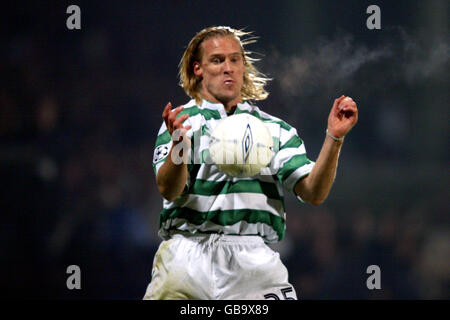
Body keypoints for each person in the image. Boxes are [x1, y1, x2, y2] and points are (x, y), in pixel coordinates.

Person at [144, 26, 358, 300]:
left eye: (235, 60)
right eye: (218, 60)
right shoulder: (181, 124)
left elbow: (313, 193)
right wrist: (178, 145)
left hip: (253, 262)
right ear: (198, 69)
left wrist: (334, 138)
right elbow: (169, 189)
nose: (228, 68)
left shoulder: (276, 130)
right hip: (186, 258)